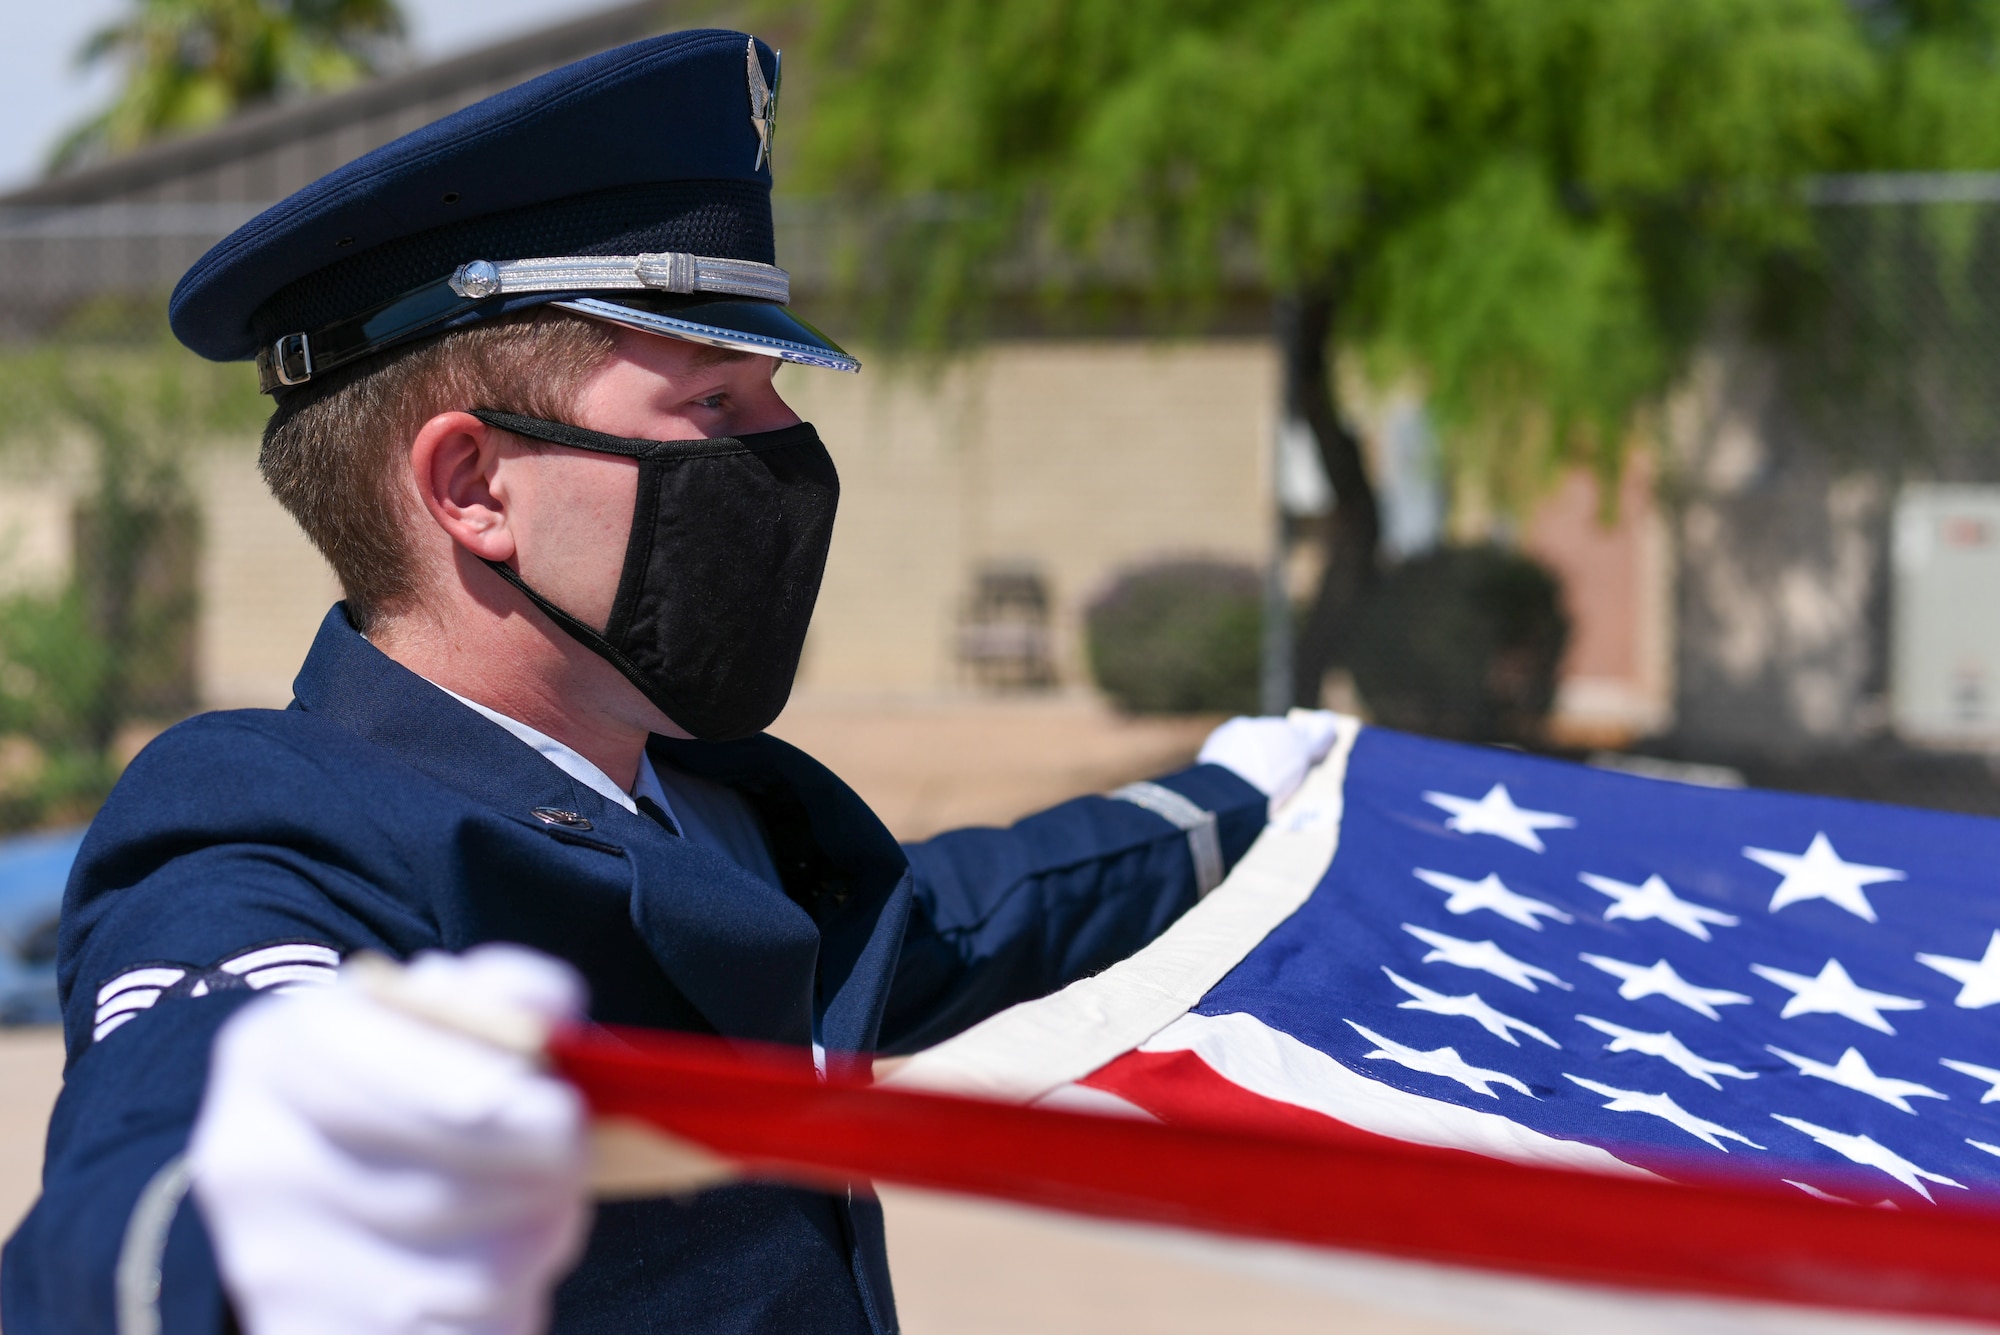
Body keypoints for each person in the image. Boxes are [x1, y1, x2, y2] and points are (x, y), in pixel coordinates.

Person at [0, 29, 1339, 1335]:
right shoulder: (270, 823)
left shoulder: (697, 798)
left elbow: (947, 921)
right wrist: (237, 1241)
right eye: (713, 404)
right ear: (472, 487)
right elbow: (163, 1138)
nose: (788, 448)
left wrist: (1233, 808)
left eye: (774, 390)